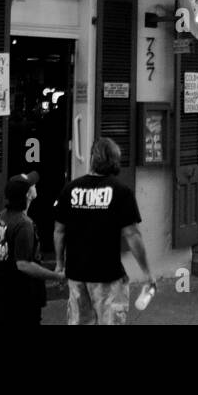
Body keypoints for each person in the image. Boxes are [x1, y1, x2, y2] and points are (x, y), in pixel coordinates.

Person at [54, 138, 151, 325]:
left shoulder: (70, 189)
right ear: (115, 160)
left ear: (92, 159)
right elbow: (132, 235)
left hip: (76, 274)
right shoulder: (121, 192)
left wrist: (59, 264)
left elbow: (59, 231)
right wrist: (147, 272)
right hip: (107, 275)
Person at [0, 171, 64, 325]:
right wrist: (56, 276)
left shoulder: (1, 216)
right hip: (20, 292)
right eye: (32, 185)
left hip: (1, 285)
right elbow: (23, 264)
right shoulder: (24, 224)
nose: (35, 185)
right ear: (28, 194)